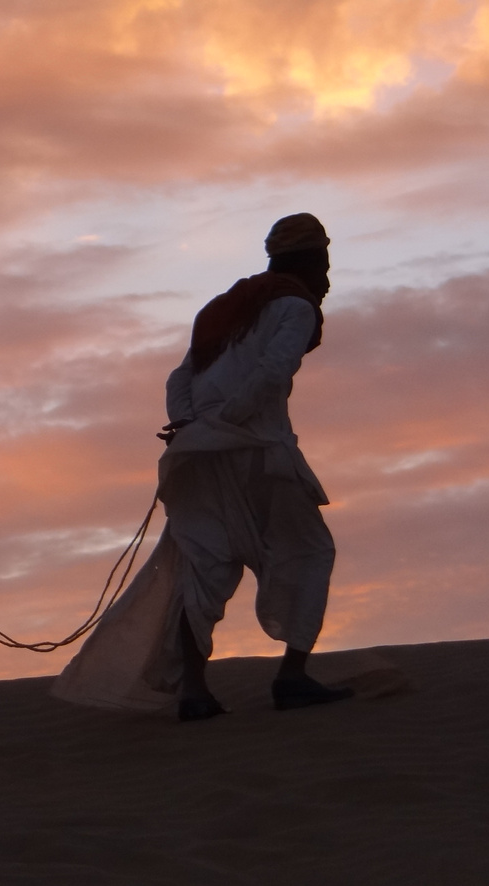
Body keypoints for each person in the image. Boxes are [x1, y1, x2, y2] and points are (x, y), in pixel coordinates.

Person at [155, 212, 353, 720]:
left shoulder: (224, 310)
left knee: (203, 567)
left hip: (201, 456)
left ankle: (193, 693)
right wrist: (228, 421)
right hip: (259, 451)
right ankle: (292, 677)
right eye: (325, 263)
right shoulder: (294, 306)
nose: (328, 279)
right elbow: (273, 370)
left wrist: (192, 424)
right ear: (311, 260)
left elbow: (180, 378)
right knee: (309, 551)